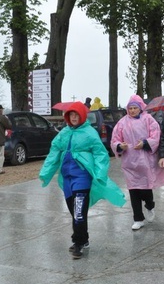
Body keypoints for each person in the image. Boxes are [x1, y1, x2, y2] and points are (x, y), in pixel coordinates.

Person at [38, 102, 126, 258]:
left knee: (79, 212)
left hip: (82, 178)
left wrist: (100, 173)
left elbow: (100, 154)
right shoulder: (64, 133)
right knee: (75, 212)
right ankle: (83, 239)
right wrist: (46, 172)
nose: (73, 117)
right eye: (71, 115)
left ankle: (78, 243)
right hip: (67, 179)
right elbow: (54, 152)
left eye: (76, 115)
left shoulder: (90, 133)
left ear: (82, 116)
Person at [111, 95, 164, 230]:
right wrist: (119, 146)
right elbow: (115, 139)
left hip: (145, 160)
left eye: (135, 108)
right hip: (129, 161)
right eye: (130, 108)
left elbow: (156, 135)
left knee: (146, 188)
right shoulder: (122, 123)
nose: (133, 110)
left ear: (140, 108)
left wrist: (145, 143)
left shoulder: (148, 120)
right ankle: (138, 218)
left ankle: (150, 205)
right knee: (133, 190)